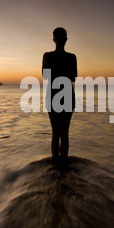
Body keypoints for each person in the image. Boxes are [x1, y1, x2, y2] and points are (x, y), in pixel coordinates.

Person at [42, 27, 77, 161]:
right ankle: (64, 166)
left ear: (54, 39)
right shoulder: (72, 57)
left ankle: (56, 165)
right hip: (67, 94)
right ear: (66, 39)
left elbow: (45, 76)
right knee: (65, 133)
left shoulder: (47, 56)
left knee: (55, 133)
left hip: (52, 94)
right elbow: (74, 78)